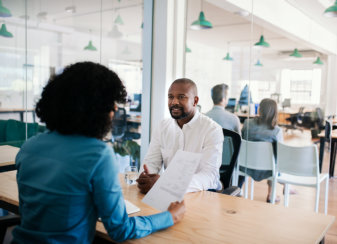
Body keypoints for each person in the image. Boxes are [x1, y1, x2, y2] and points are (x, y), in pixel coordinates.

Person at [12, 62, 185, 244]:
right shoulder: (97, 155)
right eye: (110, 104)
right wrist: (169, 217)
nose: (115, 109)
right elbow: (120, 229)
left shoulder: (29, 147)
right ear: (94, 109)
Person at [136, 78, 224, 194]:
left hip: (202, 193)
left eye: (181, 97)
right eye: (170, 97)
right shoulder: (163, 127)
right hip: (166, 193)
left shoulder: (212, 130)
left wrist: (167, 183)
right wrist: (145, 177)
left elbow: (209, 176)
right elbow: (151, 162)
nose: (174, 102)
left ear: (195, 101)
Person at [240, 98, 286, 202]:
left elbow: (242, 142)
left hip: (246, 166)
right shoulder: (276, 130)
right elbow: (281, 154)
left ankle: (238, 189)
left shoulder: (247, 123)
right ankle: (271, 194)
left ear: (259, 110)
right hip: (267, 170)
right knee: (275, 158)